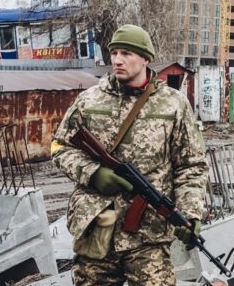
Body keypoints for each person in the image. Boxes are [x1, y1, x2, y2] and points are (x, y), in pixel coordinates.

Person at [51, 24, 208, 285]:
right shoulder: (89, 100)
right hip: (97, 230)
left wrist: (189, 213)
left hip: (149, 237)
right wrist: (94, 174)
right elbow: (59, 147)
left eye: (126, 53)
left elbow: (191, 165)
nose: (117, 60)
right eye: (114, 53)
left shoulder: (173, 104)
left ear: (146, 58)